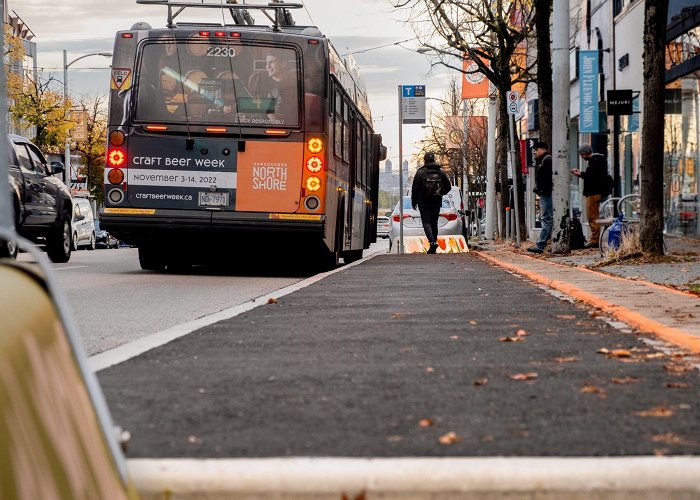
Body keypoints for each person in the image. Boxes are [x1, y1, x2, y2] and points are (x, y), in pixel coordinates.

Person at [411, 152, 452, 254]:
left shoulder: (420, 172)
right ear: (434, 159)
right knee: (434, 223)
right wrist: (440, 193)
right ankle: (434, 243)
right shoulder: (441, 172)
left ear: (425, 160)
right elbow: (448, 186)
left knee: (426, 223)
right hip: (436, 202)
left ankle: (432, 242)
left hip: (423, 202)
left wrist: (414, 201)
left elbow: (415, 188)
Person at [572, 143, 609, 248]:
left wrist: (580, 174)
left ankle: (595, 240)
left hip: (593, 193)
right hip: (597, 192)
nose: (581, 157)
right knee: (594, 216)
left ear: (585, 154)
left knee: (592, 216)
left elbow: (591, 177)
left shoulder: (593, 162)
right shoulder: (598, 161)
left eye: (581, 154)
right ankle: (595, 238)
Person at [527, 141, 553, 254]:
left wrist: (540, 189)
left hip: (546, 193)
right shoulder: (544, 160)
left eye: (536, 150)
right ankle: (545, 243)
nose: (534, 153)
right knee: (547, 219)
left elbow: (546, 179)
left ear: (542, 149)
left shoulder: (547, 160)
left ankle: (541, 244)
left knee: (546, 219)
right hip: (545, 193)